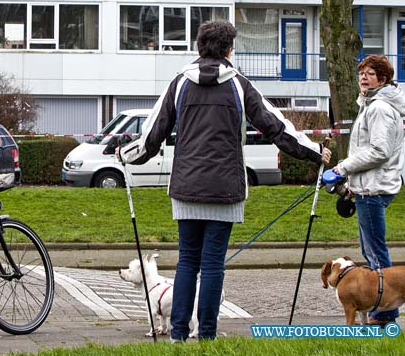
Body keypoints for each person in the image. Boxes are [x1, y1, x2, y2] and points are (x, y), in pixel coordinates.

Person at [119, 20, 330, 341]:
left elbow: (152, 133)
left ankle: (177, 335)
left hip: (186, 188)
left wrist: (126, 155)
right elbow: (276, 126)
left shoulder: (179, 83)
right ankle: (206, 335)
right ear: (230, 49)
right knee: (214, 263)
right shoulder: (240, 85)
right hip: (226, 188)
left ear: (199, 47)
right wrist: (315, 152)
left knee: (187, 260)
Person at [332, 54, 405, 327]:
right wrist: (353, 185)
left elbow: (378, 151)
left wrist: (343, 168)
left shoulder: (379, 108)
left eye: (371, 73)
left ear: (383, 80)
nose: (364, 77)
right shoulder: (370, 105)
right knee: (370, 248)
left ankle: (385, 313)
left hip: (375, 189)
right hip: (367, 187)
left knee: (375, 251)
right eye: (362, 73)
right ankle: (383, 310)